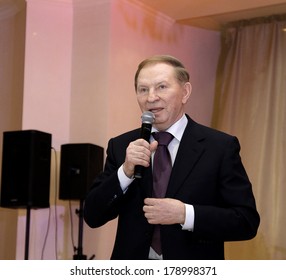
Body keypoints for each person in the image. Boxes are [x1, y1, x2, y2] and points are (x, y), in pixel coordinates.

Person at [83, 55, 260, 260]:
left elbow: (246, 221)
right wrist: (125, 171)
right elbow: (93, 216)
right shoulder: (121, 146)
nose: (151, 97)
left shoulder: (219, 147)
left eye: (161, 87)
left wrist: (185, 215)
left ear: (185, 92)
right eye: (143, 89)